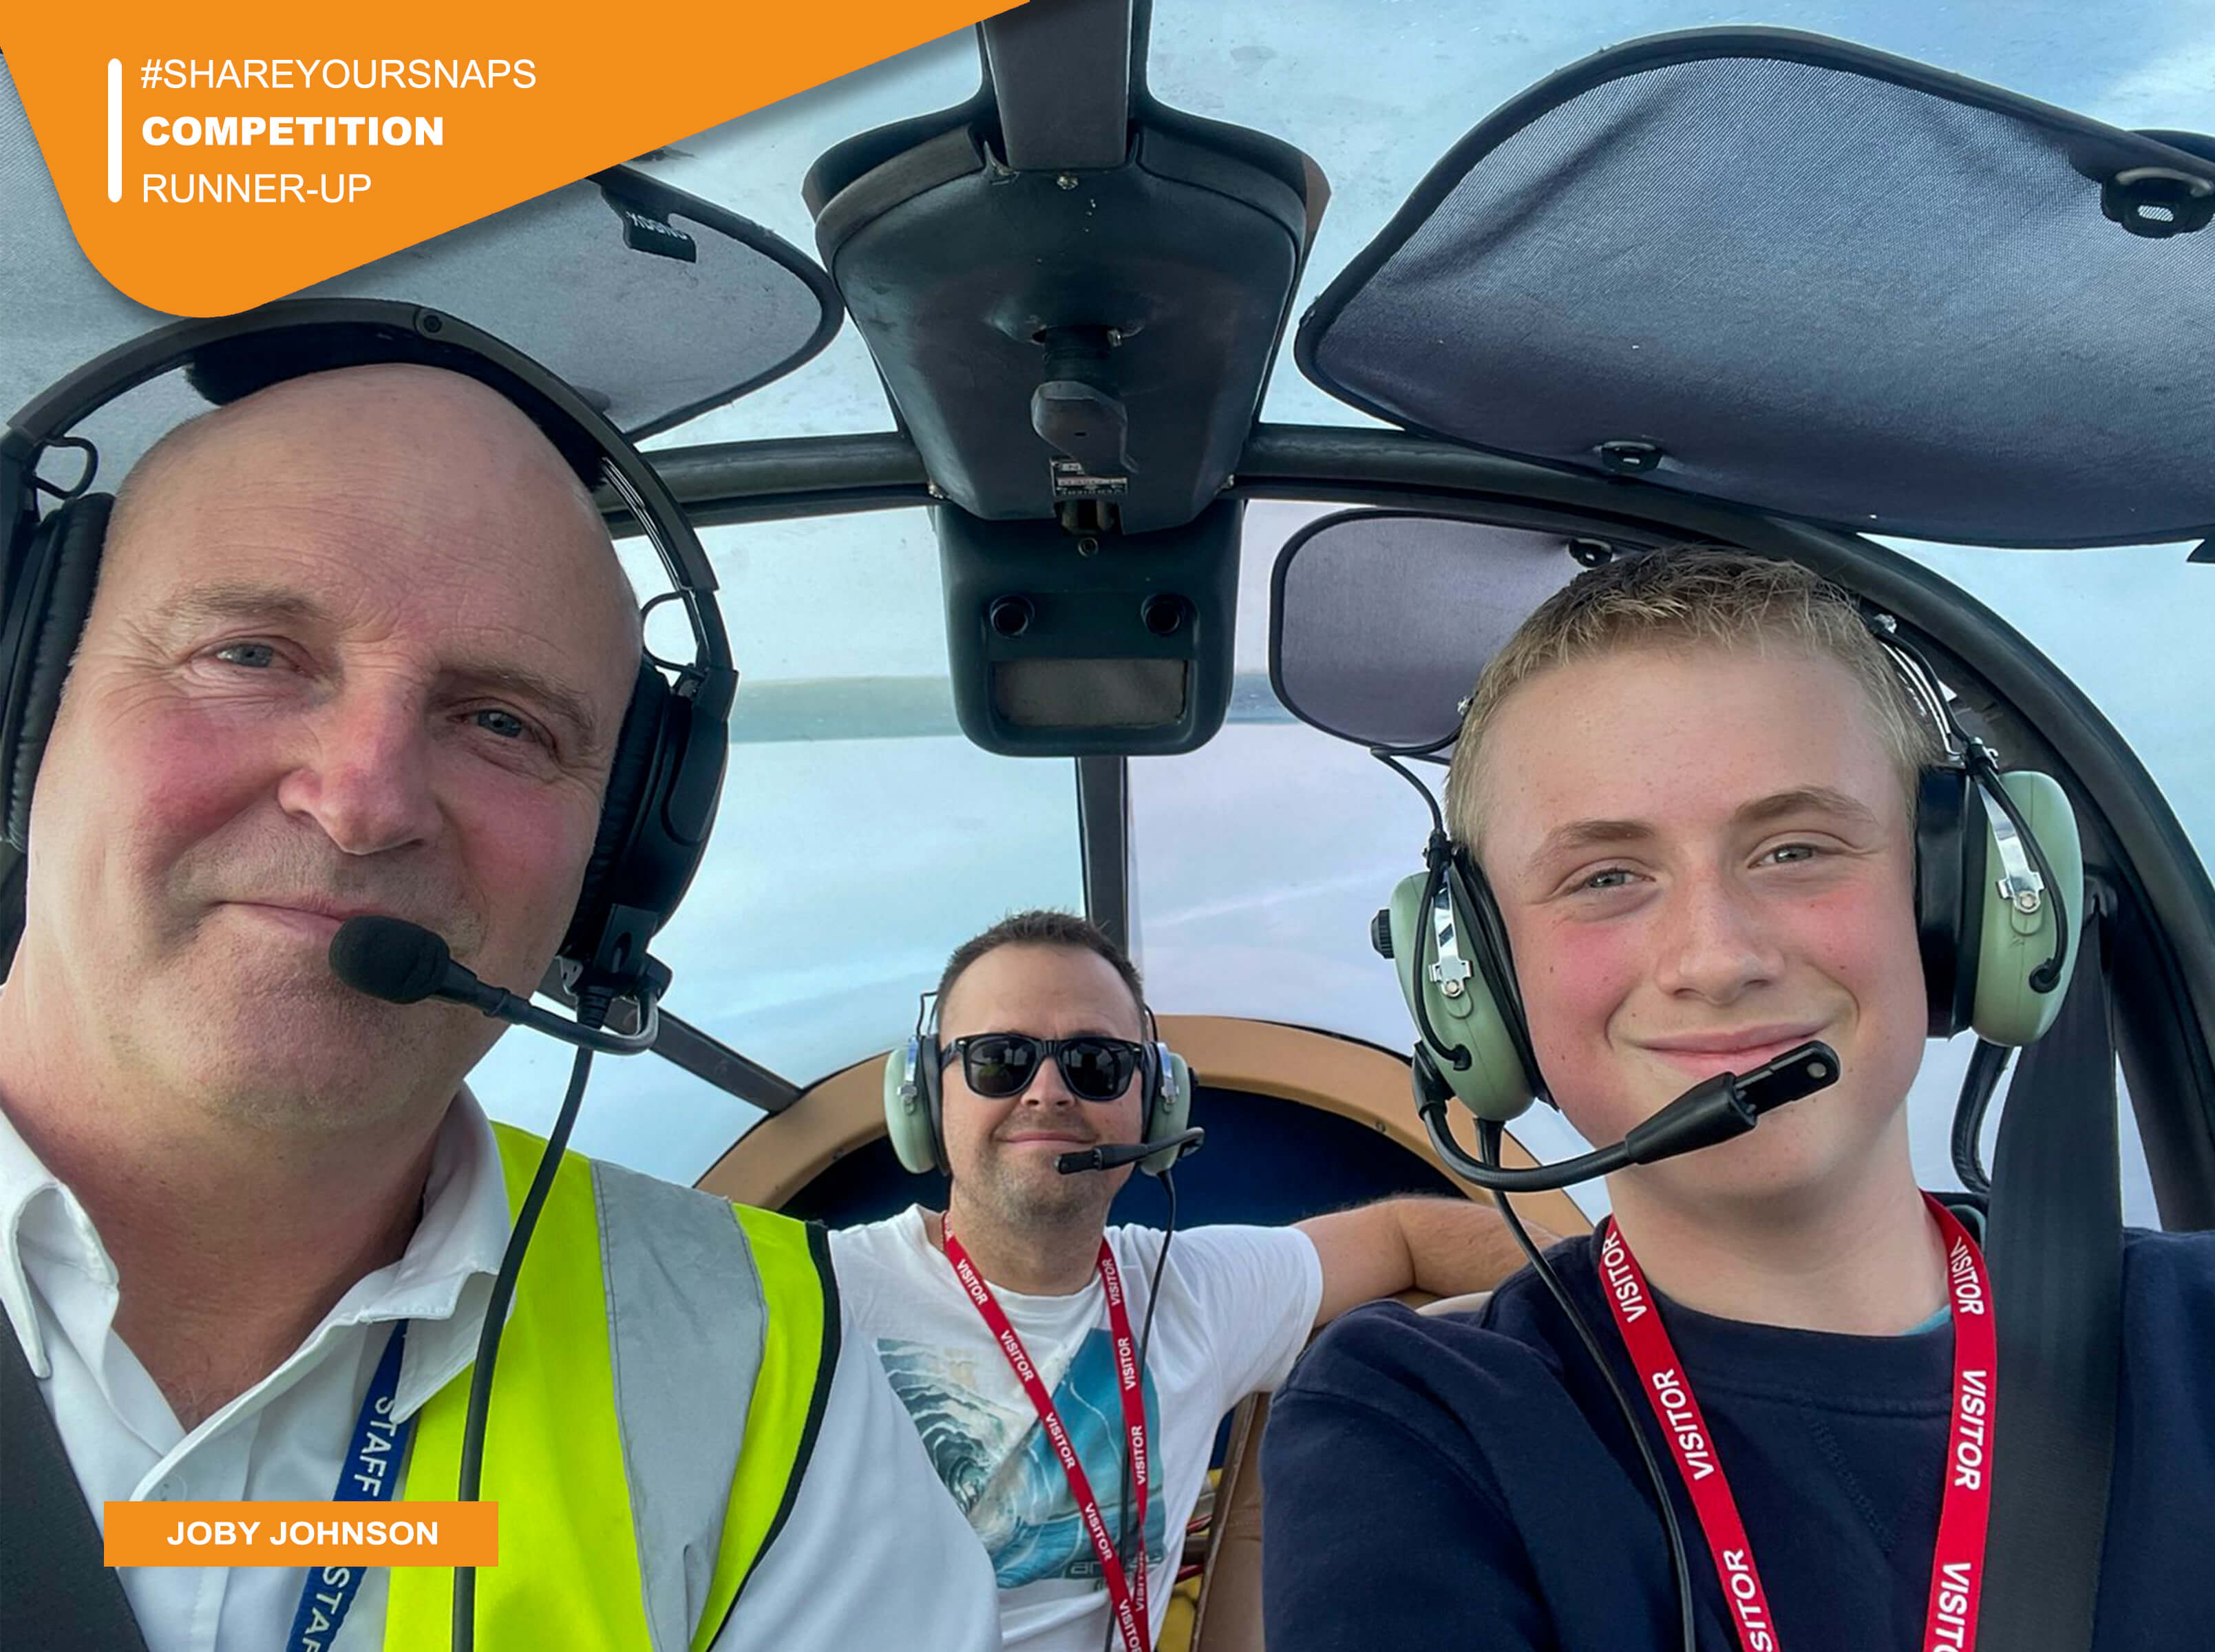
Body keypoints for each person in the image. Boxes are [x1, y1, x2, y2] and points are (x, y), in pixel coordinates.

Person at [0, 351, 1001, 1650]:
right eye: (250, 652)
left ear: (621, 856)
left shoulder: (748, 1343)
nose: (362, 802)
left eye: (500, 722)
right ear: (30, 695)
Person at [1260, 548, 2215, 1651]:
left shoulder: (2193, 1338)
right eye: (1605, 876)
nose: (1715, 958)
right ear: (1475, 973)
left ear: (1959, 904)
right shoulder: (1420, 1426)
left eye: (1795, 848)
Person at [831, 907, 1542, 1652]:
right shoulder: (816, 1294)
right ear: (924, 1094)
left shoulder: (1189, 1288)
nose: (1046, 1092)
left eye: (1095, 1064)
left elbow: (1407, 1234)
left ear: (1156, 1101)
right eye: (997, 1059)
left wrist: (1632, 1302)